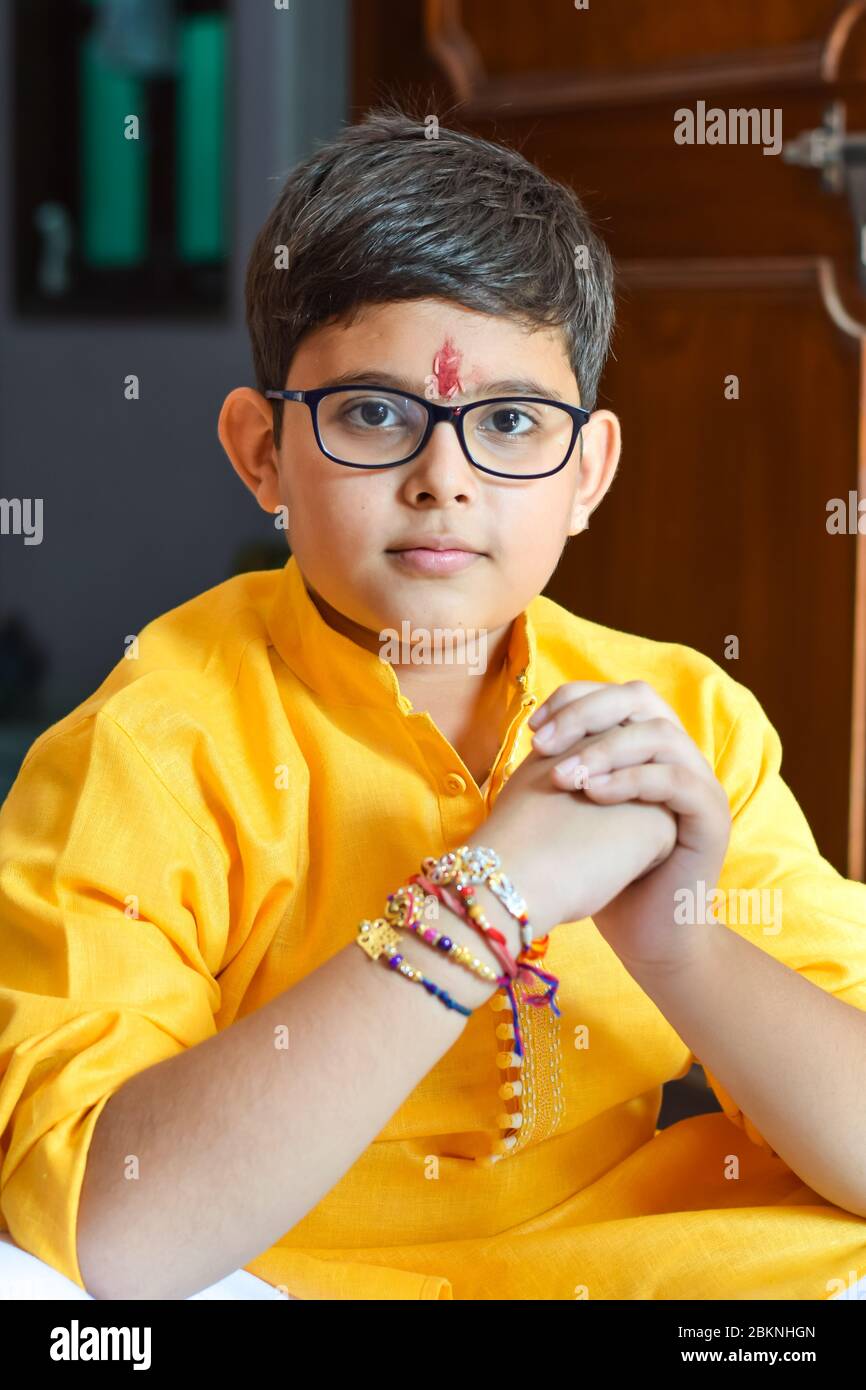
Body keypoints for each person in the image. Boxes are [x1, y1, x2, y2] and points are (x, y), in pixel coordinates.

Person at [2, 102, 866, 1303]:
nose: (442, 479)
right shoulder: (151, 750)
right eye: (372, 413)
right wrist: (482, 901)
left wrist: (676, 938)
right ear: (261, 451)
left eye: (509, 422)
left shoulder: (676, 723)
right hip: (278, 1276)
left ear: (586, 473)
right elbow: (111, 1233)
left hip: (631, 1267)